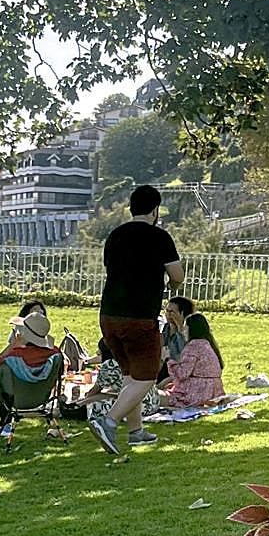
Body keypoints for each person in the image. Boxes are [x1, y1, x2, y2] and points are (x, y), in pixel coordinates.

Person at [88, 184, 184, 454]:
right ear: (155, 210)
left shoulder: (115, 236)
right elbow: (177, 275)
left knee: (130, 375)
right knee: (145, 378)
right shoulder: (160, 237)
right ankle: (108, 422)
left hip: (109, 316)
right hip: (140, 317)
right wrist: (171, 286)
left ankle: (136, 431)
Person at [0, 312, 62, 438]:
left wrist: (12, 345)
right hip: (42, 397)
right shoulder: (55, 353)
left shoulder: (14, 356)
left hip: (16, 400)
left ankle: (4, 423)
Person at [81, 339, 168, 427]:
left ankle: (79, 407)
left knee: (96, 404)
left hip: (142, 406)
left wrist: (86, 398)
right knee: (107, 395)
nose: (97, 352)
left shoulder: (110, 365)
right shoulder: (134, 358)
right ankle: (80, 404)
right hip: (155, 401)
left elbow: (95, 390)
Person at [157, 313, 225, 407]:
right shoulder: (207, 344)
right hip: (214, 392)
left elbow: (182, 374)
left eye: (185, 327)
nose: (183, 330)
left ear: (191, 329)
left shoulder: (193, 346)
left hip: (196, 394)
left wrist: (167, 358)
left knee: (154, 396)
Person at [159, 296, 195, 386]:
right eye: (166, 311)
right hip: (165, 367)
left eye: (172, 312)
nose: (168, 315)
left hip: (180, 371)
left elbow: (184, 354)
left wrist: (180, 328)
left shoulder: (190, 331)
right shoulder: (166, 328)